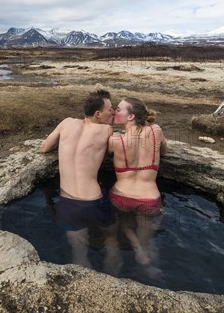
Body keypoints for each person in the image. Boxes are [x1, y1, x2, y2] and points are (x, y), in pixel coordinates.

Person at [39, 89, 117, 269]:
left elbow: (44, 148)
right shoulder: (106, 129)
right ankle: (113, 269)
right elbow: (111, 152)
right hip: (93, 201)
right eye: (110, 109)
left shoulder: (66, 122)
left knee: (79, 256)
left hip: (68, 203)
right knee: (112, 240)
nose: (112, 112)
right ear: (98, 114)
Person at [108, 97, 167, 277]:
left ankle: (135, 248)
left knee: (124, 223)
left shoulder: (115, 140)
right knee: (149, 240)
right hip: (148, 199)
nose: (114, 112)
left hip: (120, 197)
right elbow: (164, 151)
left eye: (118, 109)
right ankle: (149, 266)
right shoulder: (156, 130)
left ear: (131, 116)